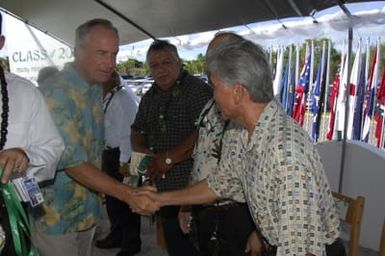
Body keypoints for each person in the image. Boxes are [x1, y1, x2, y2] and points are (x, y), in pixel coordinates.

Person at [135, 40, 345, 256]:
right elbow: (221, 183)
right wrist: (161, 199)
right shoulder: (241, 130)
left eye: (215, 87)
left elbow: (302, 250)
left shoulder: (285, 153)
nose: (213, 96)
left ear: (237, 92)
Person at [28, 19, 156, 256]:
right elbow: (73, 163)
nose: (110, 63)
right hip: (56, 218)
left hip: (88, 212)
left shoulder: (95, 87)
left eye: (114, 54)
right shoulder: (56, 93)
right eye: (101, 53)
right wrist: (129, 194)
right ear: (78, 51)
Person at [178, 32, 262, 256]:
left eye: (219, 54)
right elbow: (200, 155)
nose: (210, 62)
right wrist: (186, 203)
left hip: (238, 215)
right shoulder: (213, 103)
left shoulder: (255, 109)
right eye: (209, 55)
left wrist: (260, 231)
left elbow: (264, 181)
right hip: (205, 208)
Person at [131, 39, 212, 256]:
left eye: (166, 62)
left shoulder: (198, 91)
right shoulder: (150, 96)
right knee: (175, 247)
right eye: (155, 65)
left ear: (179, 62)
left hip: (195, 190)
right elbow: (137, 131)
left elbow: (205, 133)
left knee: (198, 247)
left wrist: (168, 159)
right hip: (163, 191)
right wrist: (146, 155)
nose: (161, 69)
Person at [0, 12, 65, 255]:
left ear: (0, 43)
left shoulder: (24, 93)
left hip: (10, 214)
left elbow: (52, 149)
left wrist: (25, 156)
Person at [95, 70, 142, 256]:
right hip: (110, 154)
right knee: (113, 201)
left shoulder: (122, 97)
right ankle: (117, 235)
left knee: (126, 200)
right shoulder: (110, 96)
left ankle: (131, 243)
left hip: (121, 156)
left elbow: (128, 133)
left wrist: (124, 161)